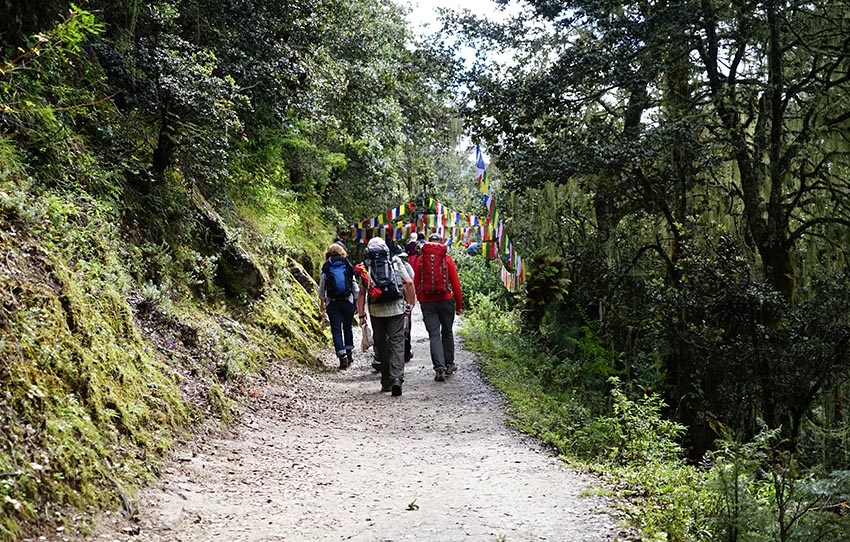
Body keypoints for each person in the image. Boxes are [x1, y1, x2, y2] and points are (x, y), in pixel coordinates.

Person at [356, 237, 416, 396]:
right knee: (397, 341)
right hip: (396, 308)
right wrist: (411, 303)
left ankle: (386, 381)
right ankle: (397, 378)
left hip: (376, 310)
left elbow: (361, 293)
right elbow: (409, 282)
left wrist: (361, 314)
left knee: (381, 344)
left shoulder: (366, 266)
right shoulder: (395, 261)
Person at [414, 233, 462, 382]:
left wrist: (421, 299)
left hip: (428, 303)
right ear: (441, 244)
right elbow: (455, 284)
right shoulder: (447, 260)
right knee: (447, 332)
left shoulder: (421, 260)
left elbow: (415, 283)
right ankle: (449, 364)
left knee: (434, 335)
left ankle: (439, 369)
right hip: (446, 300)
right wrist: (459, 305)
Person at [318, 241, 358, 369]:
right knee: (347, 327)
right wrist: (356, 303)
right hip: (348, 301)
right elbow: (355, 287)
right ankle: (349, 353)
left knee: (336, 329)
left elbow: (322, 289)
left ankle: (342, 358)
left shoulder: (326, 267)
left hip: (333, 303)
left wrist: (322, 304)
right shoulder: (346, 265)